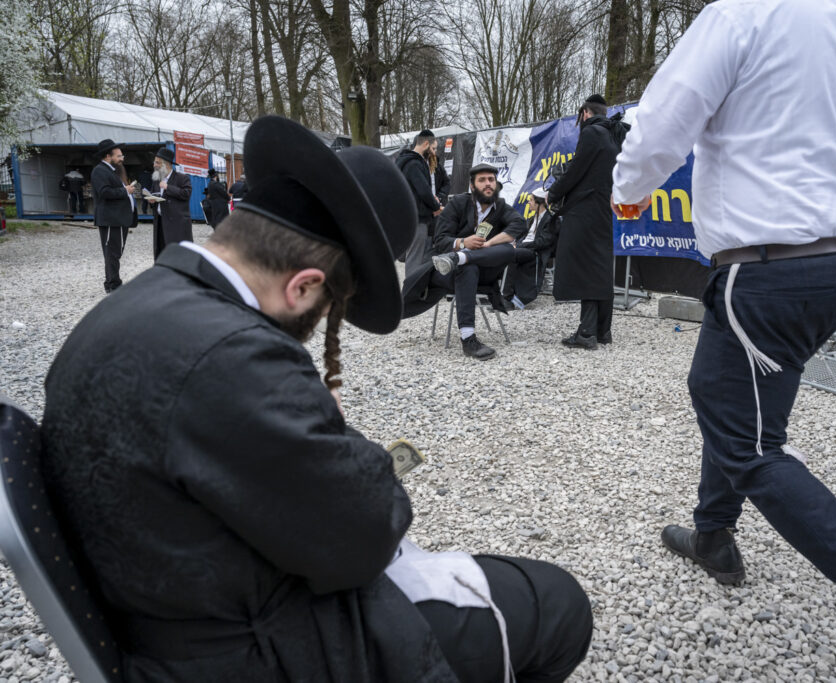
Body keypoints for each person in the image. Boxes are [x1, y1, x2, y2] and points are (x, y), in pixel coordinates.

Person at [40, 115, 592, 683]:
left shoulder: (130, 309)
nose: (321, 323)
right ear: (303, 285)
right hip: (246, 649)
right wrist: (353, 452)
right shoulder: (233, 356)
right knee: (557, 605)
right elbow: (367, 533)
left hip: (174, 610)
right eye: (328, 307)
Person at [610, 1, 836, 681]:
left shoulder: (741, 15)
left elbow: (665, 118)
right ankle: (714, 536)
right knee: (722, 393)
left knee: (749, 441)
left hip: (764, 267)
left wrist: (627, 190)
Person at [402, 163, 531, 360]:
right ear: (472, 186)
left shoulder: (501, 207)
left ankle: (461, 258)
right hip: (447, 271)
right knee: (467, 268)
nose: (488, 184)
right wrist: (463, 242)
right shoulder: (458, 204)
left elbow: (519, 225)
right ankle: (468, 338)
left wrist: (488, 244)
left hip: (483, 269)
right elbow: (440, 240)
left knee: (508, 250)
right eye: (482, 180)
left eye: (491, 180)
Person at [548, 94, 629, 350]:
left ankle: (586, 333)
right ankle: (602, 330)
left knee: (585, 268)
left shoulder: (592, 132)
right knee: (600, 266)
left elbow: (577, 171)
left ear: (585, 113)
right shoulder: (615, 134)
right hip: (604, 207)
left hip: (586, 209)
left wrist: (554, 192)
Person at [89, 139, 134, 293]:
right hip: (110, 219)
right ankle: (113, 285)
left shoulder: (112, 171)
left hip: (118, 219)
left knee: (115, 252)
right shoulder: (100, 171)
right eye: (119, 156)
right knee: (111, 253)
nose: (122, 159)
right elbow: (104, 192)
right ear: (108, 156)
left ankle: (114, 282)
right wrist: (125, 191)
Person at [396, 129, 443, 266]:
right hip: (417, 219)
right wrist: (436, 206)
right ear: (426, 144)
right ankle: (412, 287)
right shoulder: (414, 164)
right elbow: (423, 191)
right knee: (415, 260)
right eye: (433, 148)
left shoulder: (405, 161)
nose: (434, 152)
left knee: (412, 256)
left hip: (408, 217)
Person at [506, 188, 558, 310]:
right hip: (524, 249)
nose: (528, 202)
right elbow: (522, 236)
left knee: (510, 254)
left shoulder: (550, 220)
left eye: (531, 200)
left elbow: (542, 242)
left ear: (539, 203)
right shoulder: (532, 218)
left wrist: (519, 246)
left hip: (534, 252)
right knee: (500, 251)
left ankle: (507, 297)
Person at [147, 147, 193, 259]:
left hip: (177, 225)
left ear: (166, 164)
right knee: (162, 253)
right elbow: (155, 196)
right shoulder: (156, 180)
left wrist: (168, 187)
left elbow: (186, 194)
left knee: (178, 255)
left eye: (157, 162)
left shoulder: (182, 178)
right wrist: (152, 201)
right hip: (161, 223)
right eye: (154, 162)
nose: (154, 165)